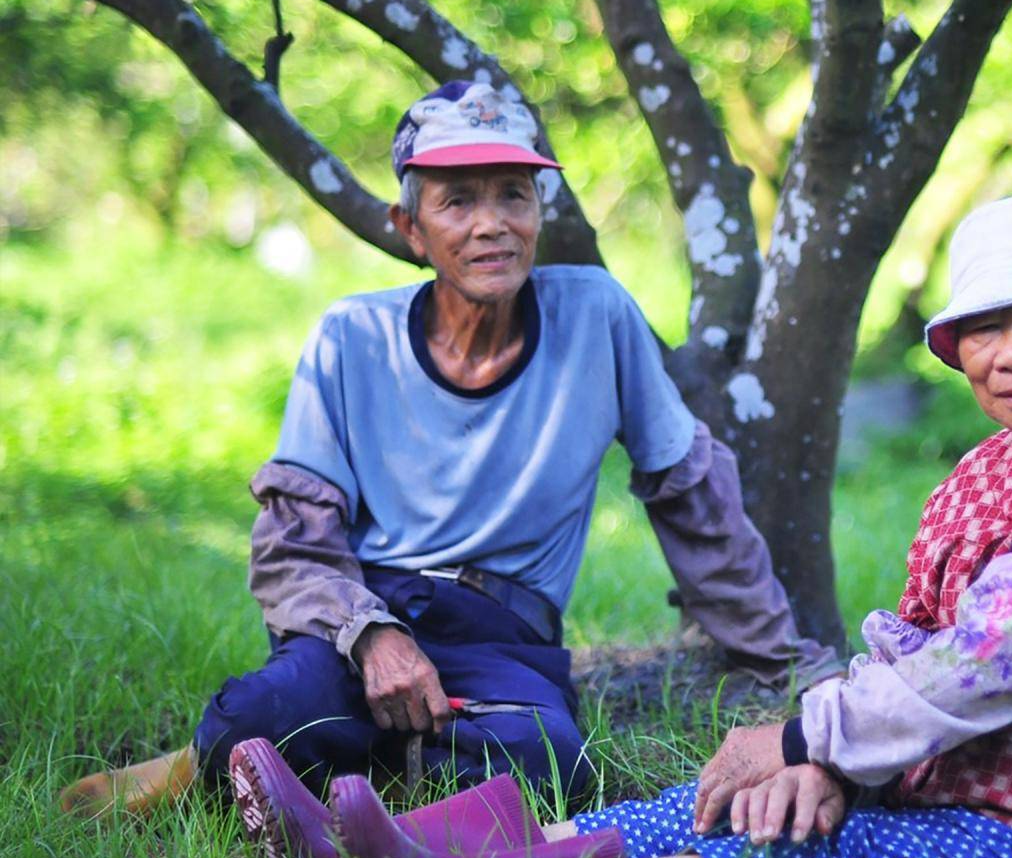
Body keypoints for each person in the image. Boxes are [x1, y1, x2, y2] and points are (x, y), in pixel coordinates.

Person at [228, 193, 1012, 858]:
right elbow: (912, 651)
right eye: (987, 328)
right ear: (955, 349)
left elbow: (993, 659)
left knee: (802, 855)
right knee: (702, 803)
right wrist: (827, 762)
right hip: (960, 788)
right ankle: (381, 846)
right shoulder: (981, 475)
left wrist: (802, 736)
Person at [59, 81, 835, 818]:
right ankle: (228, 756)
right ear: (411, 229)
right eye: (457, 200)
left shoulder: (597, 317)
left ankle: (357, 785)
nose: (490, 223)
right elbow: (295, 544)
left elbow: (692, 501)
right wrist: (372, 634)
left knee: (548, 764)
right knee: (262, 713)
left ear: (540, 210)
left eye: (512, 194)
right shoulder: (350, 337)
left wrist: (781, 659)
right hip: (361, 618)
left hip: (502, 637)